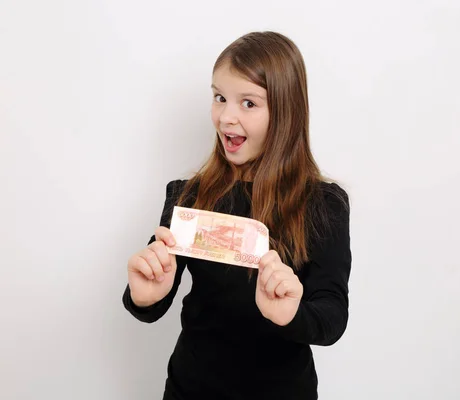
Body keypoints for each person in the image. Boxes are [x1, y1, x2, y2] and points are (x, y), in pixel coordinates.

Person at [122, 31, 352, 400]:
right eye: (219, 97)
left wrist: (291, 314)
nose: (226, 116)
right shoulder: (190, 195)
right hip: (189, 389)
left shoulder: (323, 205)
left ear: (285, 110)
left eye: (248, 103)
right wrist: (146, 295)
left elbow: (332, 316)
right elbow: (152, 299)